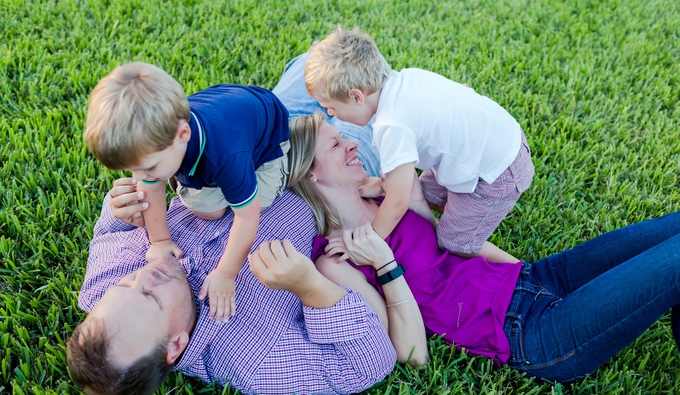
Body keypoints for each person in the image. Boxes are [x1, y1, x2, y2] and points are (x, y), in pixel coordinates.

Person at [287, 111, 680, 382]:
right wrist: (385, 264)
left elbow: (450, 245)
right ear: (310, 173)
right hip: (533, 334)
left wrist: (417, 202)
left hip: (536, 280)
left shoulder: (383, 197)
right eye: (336, 146)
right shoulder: (335, 262)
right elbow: (410, 355)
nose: (352, 145)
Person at [66, 178, 396, 395]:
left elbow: (109, 233)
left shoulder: (99, 291)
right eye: (151, 297)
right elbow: (368, 366)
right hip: (323, 179)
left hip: (250, 150)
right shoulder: (254, 362)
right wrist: (310, 286)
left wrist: (120, 207)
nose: (144, 275)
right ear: (176, 345)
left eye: (125, 285)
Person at [304, 28, 534, 263]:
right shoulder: (406, 78)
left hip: (496, 174)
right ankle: (464, 218)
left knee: (453, 242)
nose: (331, 113)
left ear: (356, 97)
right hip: (497, 142)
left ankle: (520, 269)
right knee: (425, 193)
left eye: (331, 107)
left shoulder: (392, 126)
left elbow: (398, 202)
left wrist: (367, 244)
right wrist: (384, 184)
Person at [84, 63, 291, 321]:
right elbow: (151, 186)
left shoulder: (227, 157)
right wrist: (159, 241)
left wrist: (226, 273)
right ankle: (191, 177)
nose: (139, 179)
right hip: (225, 116)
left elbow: (247, 217)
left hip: (267, 137)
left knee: (259, 202)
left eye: (147, 168)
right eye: (133, 170)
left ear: (182, 134)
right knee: (208, 209)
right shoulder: (161, 139)